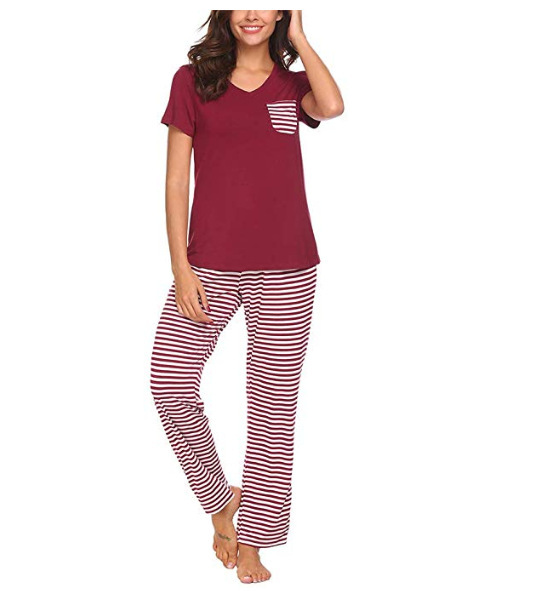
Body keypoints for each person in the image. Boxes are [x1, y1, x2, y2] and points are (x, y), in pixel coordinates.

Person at [150, 10, 344, 584]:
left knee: (272, 410)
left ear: (283, 11)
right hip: (209, 264)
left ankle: (257, 539)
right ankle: (221, 502)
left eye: (267, 2)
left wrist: (300, 38)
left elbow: (332, 106)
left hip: (288, 267)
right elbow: (176, 180)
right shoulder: (192, 80)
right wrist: (181, 266)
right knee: (169, 382)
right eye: (241, 1)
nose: (253, 13)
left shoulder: (293, 85)